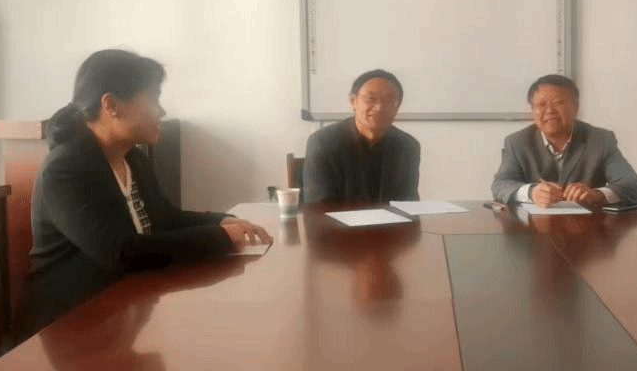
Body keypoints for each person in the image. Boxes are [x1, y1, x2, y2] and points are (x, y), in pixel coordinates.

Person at [23, 49, 271, 335]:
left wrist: (222, 221)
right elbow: (123, 252)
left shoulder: (132, 158)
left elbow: (165, 218)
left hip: (119, 311)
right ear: (111, 104)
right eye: (153, 98)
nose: (162, 111)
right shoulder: (66, 169)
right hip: (68, 325)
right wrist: (221, 238)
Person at [491, 74, 637, 208]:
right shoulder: (517, 142)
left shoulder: (601, 140)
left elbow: (635, 186)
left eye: (558, 102)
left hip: (589, 229)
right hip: (533, 229)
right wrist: (531, 192)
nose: (549, 110)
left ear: (576, 106)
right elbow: (500, 184)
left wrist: (596, 195)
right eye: (541, 104)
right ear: (532, 110)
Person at [302, 69, 420, 204]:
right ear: (353, 102)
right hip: (336, 218)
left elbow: (409, 203)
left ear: (397, 107)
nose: (379, 107)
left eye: (388, 100)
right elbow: (318, 206)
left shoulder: (408, 145)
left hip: (391, 218)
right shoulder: (323, 142)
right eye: (371, 98)